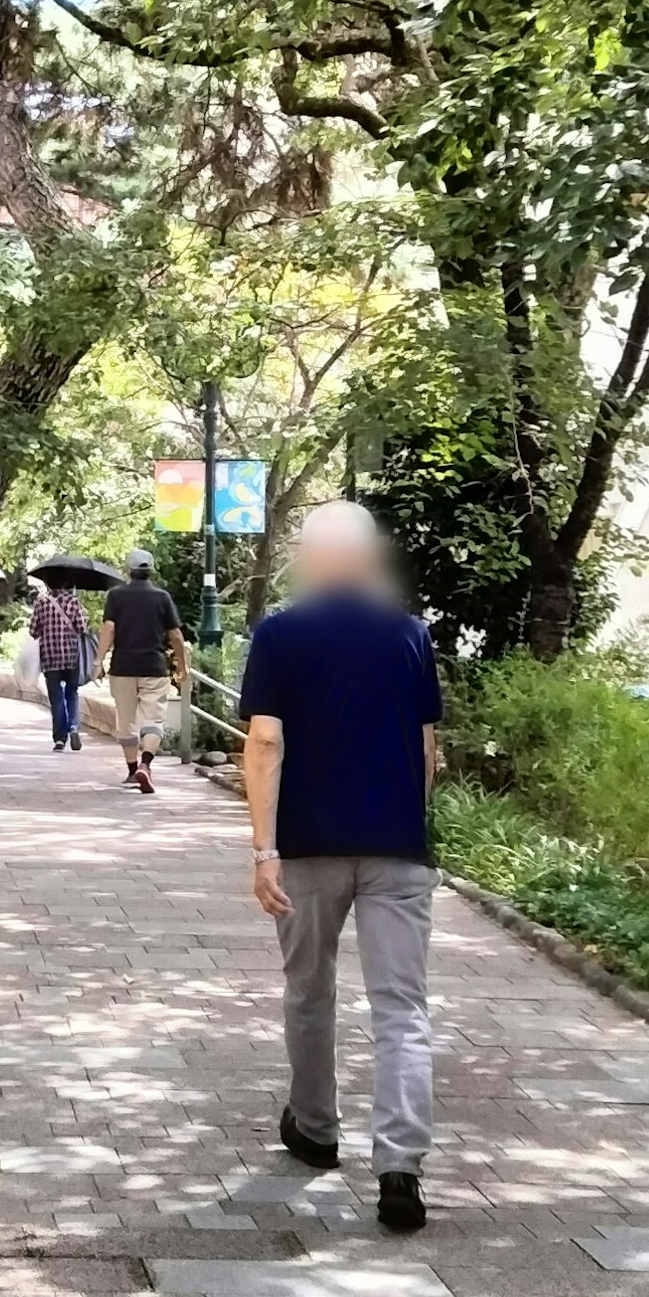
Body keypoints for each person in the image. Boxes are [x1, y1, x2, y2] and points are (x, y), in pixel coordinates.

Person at [237, 500, 444, 1235]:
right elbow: (425, 748)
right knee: (401, 1009)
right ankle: (400, 1167)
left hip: (308, 847)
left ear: (317, 560)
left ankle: (317, 1129)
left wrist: (264, 849)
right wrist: (406, 825)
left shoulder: (280, 634)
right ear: (367, 559)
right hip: (397, 848)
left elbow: (264, 743)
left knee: (309, 991)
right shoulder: (411, 634)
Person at [99, 551, 184, 795]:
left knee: (126, 722)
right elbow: (176, 635)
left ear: (128, 569)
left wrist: (98, 660)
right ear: (151, 569)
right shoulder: (162, 597)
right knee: (153, 720)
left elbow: (109, 628)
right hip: (154, 668)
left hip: (123, 667)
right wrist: (182, 665)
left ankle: (131, 769)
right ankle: (145, 765)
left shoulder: (116, 596)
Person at [29, 580, 90, 751]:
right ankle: (74, 727)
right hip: (71, 657)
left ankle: (60, 739)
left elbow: (33, 631)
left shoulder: (42, 602)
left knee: (56, 699)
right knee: (72, 693)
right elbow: (82, 628)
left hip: (50, 658)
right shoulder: (73, 602)